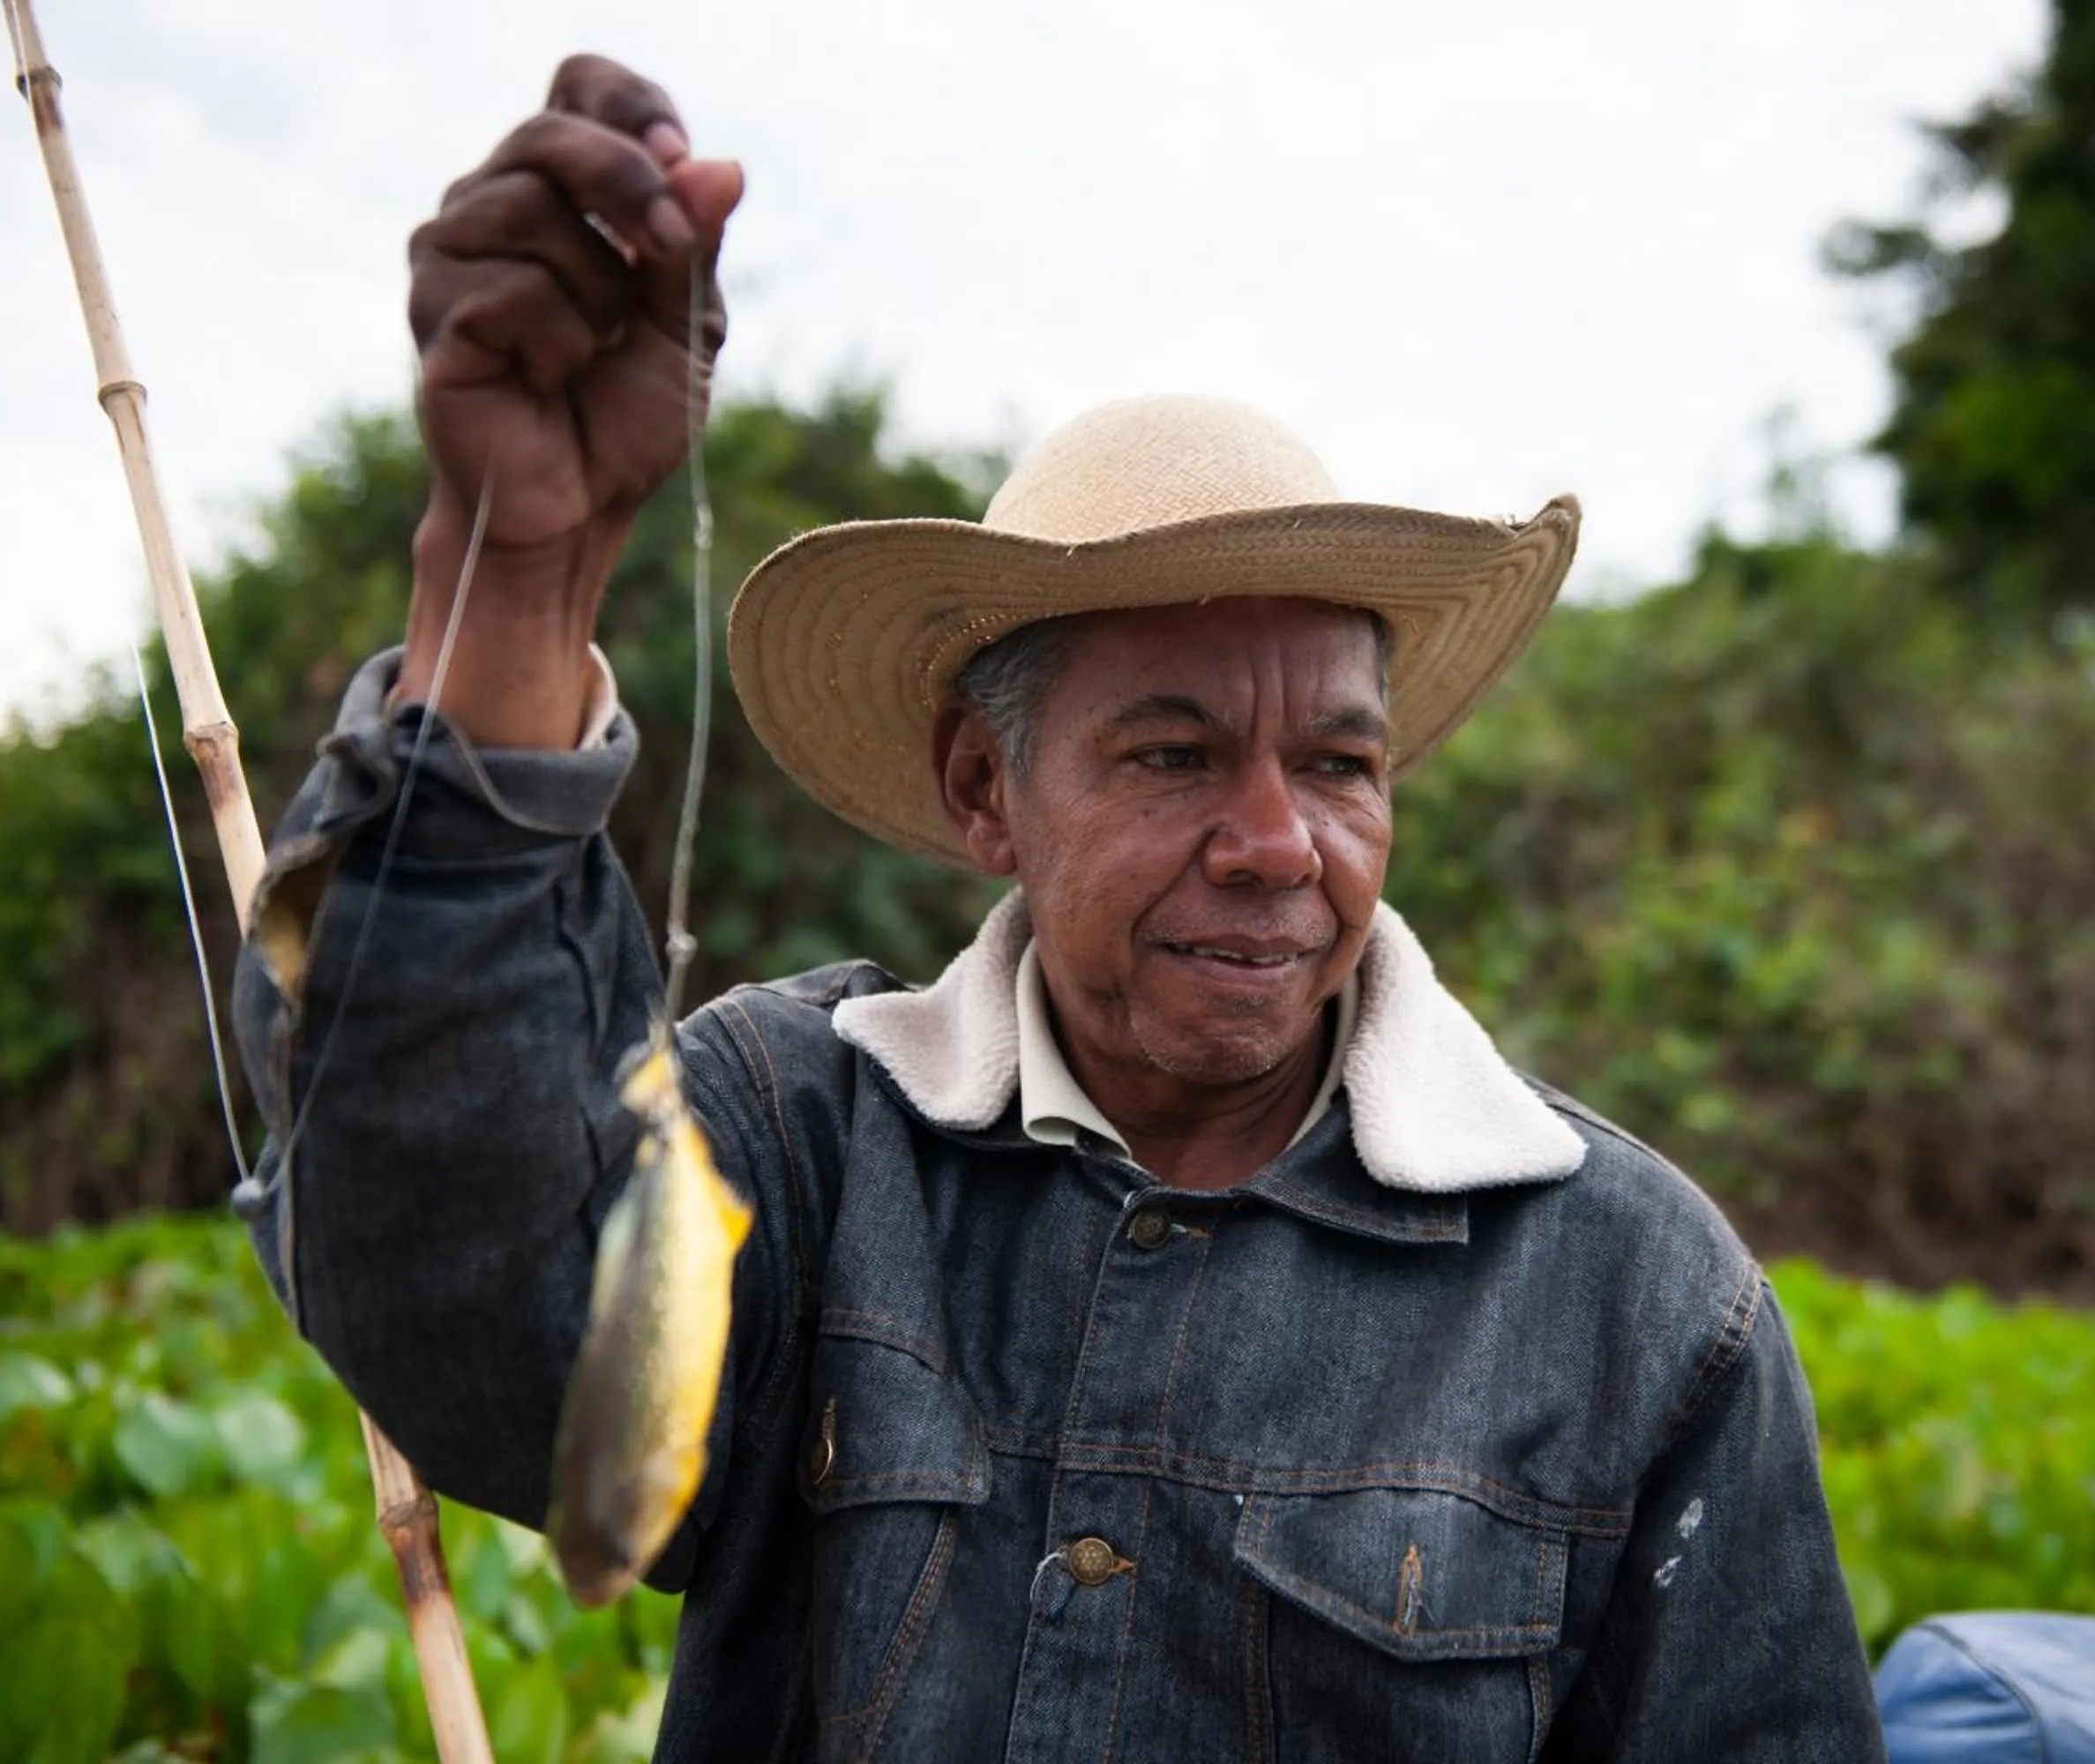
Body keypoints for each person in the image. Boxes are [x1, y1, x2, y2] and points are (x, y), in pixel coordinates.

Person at [232, 53, 1887, 1763]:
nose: (1276, 842)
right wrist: (514, 567)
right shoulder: (801, 1141)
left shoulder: (1637, 1300)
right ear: (979, 791)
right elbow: (475, 1322)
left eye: (1337, 763)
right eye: (1173, 756)